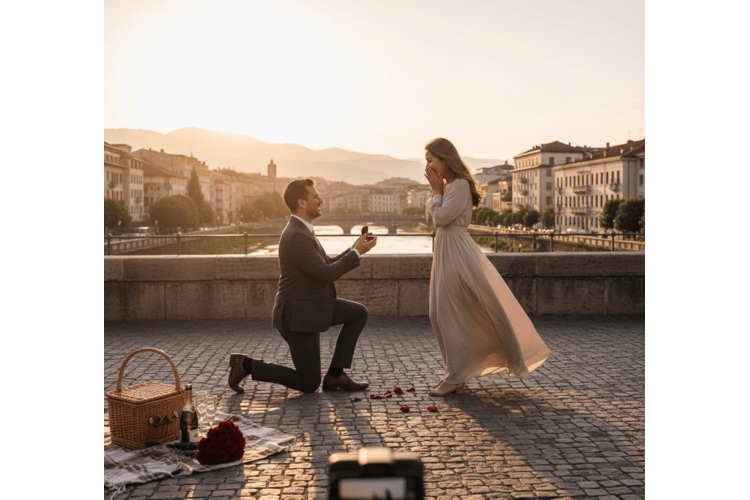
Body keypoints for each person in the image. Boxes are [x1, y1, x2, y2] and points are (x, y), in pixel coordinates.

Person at [423, 138, 551, 396]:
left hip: (456, 251)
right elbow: (429, 219)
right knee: (438, 314)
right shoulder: (448, 186)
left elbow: (440, 219)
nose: (427, 166)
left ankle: (455, 376)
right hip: (446, 250)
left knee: (447, 314)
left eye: (430, 160)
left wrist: (437, 192)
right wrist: (436, 190)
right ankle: (455, 372)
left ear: (445, 159)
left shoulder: (459, 185)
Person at [227, 178, 378, 394]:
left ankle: (336, 374)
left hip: (313, 306)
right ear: (302, 203)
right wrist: (356, 254)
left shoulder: (302, 230)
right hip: (297, 316)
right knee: (308, 382)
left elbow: (325, 264)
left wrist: (354, 248)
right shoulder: (297, 235)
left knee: (358, 313)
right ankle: (246, 365)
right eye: (316, 197)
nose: (321, 201)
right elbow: (327, 274)